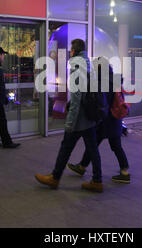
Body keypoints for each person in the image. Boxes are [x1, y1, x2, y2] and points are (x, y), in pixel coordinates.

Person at [35, 39, 104, 192]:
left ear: (74, 51)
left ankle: (54, 178)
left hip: (79, 119)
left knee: (66, 148)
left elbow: (77, 97)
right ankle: (97, 181)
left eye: (70, 50)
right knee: (92, 149)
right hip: (89, 116)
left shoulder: (77, 66)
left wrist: (69, 122)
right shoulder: (88, 64)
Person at [67, 60, 130, 183]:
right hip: (115, 119)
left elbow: (101, 102)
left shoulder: (102, 82)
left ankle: (83, 167)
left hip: (105, 120)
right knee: (115, 146)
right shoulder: (115, 80)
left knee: (93, 144)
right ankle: (124, 171)